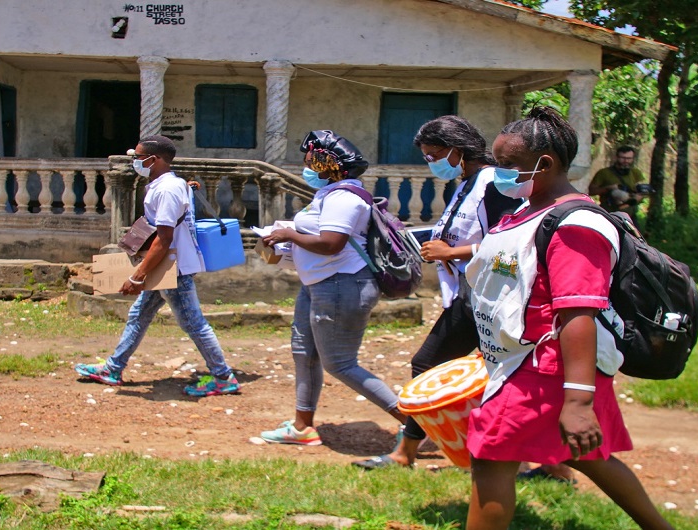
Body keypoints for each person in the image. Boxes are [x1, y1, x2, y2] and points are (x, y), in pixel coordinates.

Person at [464, 107, 673, 530]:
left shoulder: (576, 225)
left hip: (547, 369)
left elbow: (578, 310)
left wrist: (578, 402)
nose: (498, 173)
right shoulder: (528, 210)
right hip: (521, 360)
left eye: (507, 165)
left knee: (490, 458)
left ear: (546, 164)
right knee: (584, 454)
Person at [352, 115, 522, 469]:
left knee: (428, 364)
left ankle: (406, 453)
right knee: (498, 374)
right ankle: (540, 461)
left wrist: (452, 253)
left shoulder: (493, 184)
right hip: (470, 293)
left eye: (434, 155)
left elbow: (513, 244)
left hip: (488, 296)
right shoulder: (467, 183)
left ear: (457, 150)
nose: (430, 163)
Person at [258, 130, 407, 446]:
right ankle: (302, 428)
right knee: (305, 354)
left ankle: (415, 424)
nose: (306, 166)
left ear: (327, 164)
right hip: (317, 286)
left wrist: (289, 235)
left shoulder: (345, 198)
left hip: (342, 286)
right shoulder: (329, 194)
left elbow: (330, 243)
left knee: (340, 364)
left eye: (310, 160)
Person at [74, 135, 241, 397]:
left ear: (157, 159)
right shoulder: (168, 185)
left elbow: (164, 239)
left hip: (174, 268)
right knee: (139, 315)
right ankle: (113, 368)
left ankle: (223, 377)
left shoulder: (166, 190)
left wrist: (138, 276)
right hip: (166, 266)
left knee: (193, 323)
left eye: (140, 158)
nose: (136, 162)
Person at [588, 145, 648, 225]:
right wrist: (608, 188)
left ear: (633, 159)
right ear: (616, 157)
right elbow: (591, 191)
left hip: (630, 216)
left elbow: (642, 191)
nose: (625, 161)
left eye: (629, 158)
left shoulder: (635, 173)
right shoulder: (604, 173)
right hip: (609, 214)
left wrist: (635, 199)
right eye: (622, 158)